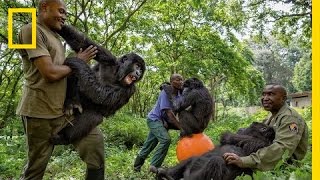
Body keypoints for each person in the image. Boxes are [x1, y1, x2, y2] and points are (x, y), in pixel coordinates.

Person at [16, 0, 104, 179]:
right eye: (61, 11)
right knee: (36, 168)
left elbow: (65, 72)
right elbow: (49, 73)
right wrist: (79, 61)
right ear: (44, 7)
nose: (64, 17)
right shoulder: (31, 30)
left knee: (94, 142)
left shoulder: (55, 36)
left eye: (66, 14)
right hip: (39, 113)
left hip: (64, 113)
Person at [223, 83, 309, 171]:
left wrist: (245, 161)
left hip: (285, 163)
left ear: (283, 98)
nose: (265, 98)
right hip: (268, 157)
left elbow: (282, 148)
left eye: (271, 94)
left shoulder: (289, 118)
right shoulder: (273, 115)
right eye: (264, 94)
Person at [133, 74, 184, 172]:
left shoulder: (180, 95)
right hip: (154, 120)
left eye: (182, 80)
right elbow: (169, 113)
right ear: (172, 81)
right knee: (166, 140)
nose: (181, 82)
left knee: (149, 144)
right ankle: (154, 166)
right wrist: (181, 127)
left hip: (163, 122)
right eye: (178, 80)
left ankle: (136, 167)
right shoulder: (165, 93)